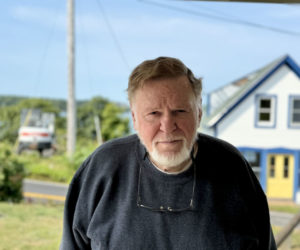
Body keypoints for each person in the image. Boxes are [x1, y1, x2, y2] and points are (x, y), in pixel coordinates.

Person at [60, 57, 276, 250]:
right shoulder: (102, 167)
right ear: (134, 118)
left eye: (180, 111)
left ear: (199, 113)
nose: (167, 126)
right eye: (153, 113)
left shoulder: (232, 167)